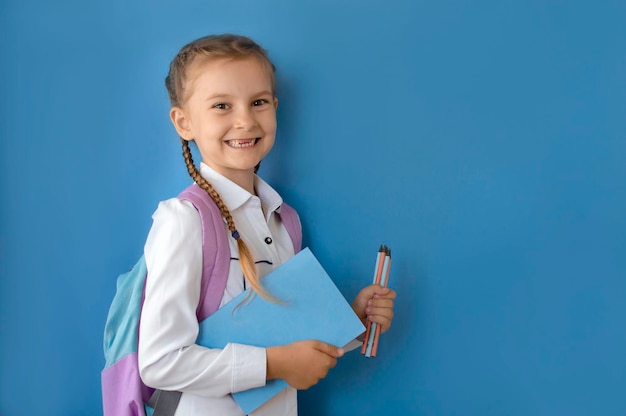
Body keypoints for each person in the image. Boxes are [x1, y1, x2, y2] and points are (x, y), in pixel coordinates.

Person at [138, 34, 396, 416]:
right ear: (184, 122)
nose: (244, 120)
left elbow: (283, 337)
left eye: (258, 102)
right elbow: (159, 361)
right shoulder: (185, 219)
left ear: (274, 107)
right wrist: (271, 365)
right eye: (221, 105)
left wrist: (352, 322)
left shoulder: (283, 220)